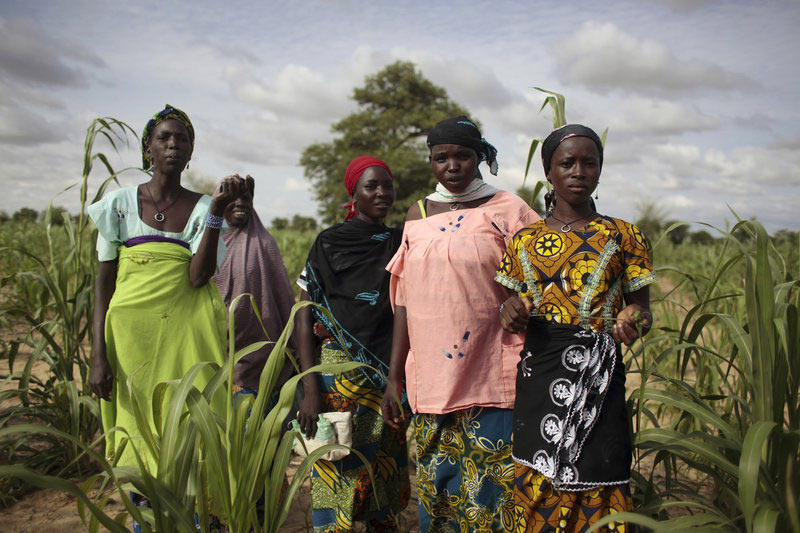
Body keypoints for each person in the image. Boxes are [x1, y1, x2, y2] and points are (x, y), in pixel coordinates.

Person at [380, 116, 540, 532]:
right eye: (441, 158)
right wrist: (393, 378)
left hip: (495, 373)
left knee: (494, 490)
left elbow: (545, 274)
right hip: (432, 378)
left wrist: (523, 303)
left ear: (480, 157)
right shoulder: (417, 215)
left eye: (463, 156)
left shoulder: (508, 208)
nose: (452, 166)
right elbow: (403, 302)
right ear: (431, 162)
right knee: (441, 491)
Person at [495, 124, 655, 532]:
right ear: (549, 171)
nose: (579, 171)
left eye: (590, 163)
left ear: (600, 170)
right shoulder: (523, 240)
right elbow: (506, 307)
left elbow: (642, 310)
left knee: (600, 466)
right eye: (567, 163)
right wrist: (510, 311)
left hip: (599, 376)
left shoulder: (624, 236)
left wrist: (633, 319)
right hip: (539, 370)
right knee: (537, 474)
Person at [88, 104, 243, 474]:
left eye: (182, 139)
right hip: (129, 341)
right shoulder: (119, 205)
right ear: (149, 149)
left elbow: (198, 276)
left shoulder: (205, 206)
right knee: (137, 434)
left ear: (190, 153)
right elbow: (103, 284)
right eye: (164, 137)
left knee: (191, 425)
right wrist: (98, 355)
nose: (174, 144)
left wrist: (217, 211)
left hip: (186, 334)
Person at [295, 156, 410, 532]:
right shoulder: (329, 243)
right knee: (338, 467)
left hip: (390, 376)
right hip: (338, 376)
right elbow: (304, 311)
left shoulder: (401, 241)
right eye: (371, 186)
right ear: (353, 194)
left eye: (387, 185)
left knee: (384, 473)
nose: (381, 193)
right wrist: (310, 389)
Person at [212, 175, 296, 402]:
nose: (240, 203)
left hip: (261, 353)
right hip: (216, 349)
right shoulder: (207, 242)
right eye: (231, 197)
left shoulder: (264, 242)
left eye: (246, 198)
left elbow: (283, 298)